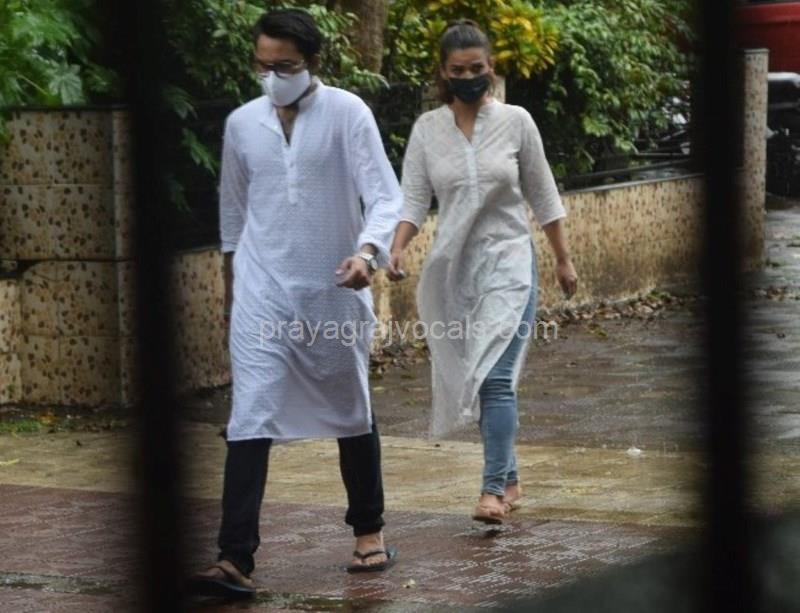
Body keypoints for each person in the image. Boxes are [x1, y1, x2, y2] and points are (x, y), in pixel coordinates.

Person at [190, 8, 402, 598]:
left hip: (333, 291)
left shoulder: (347, 113)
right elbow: (233, 218)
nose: (272, 76)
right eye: (262, 66)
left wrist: (368, 254)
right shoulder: (242, 124)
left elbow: (384, 196)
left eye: (284, 66)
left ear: (312, 62)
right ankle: (234, 558)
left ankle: (368, 530)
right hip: (262, 294)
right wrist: (232, 296)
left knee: (350, 406)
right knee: (250, 413)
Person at [388, 20, 578, 525]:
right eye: (458, 70)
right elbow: (412, 199)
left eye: (477, 68)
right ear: (443, 73)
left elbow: (544, 194)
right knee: (479, 377)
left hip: (511, 265)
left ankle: (491, 491)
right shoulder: (428, 130)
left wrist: (563, 258)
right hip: (454, 272)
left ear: (491, 67)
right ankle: (510, 478)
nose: (469, 77)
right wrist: (398, 248)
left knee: (495, 377)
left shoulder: (516, 122)